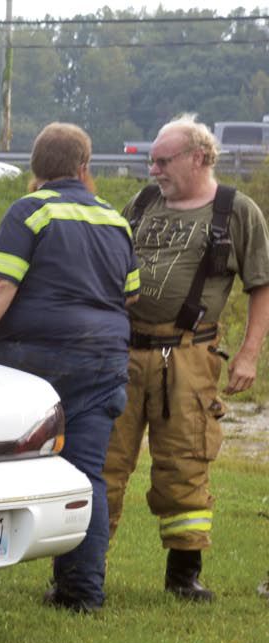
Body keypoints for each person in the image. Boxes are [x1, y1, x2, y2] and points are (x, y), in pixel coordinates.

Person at [0, 122, 139, 612]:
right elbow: (130, 295)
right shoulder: (116, 220)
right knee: (87, 475)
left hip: (33, 359)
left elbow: (1, 285)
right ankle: (81, 592)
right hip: (103, 361)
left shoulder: (31, 211)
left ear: (35, 166)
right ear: (84, 167)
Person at [104, 114, 269, 602]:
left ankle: (183, 575)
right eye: (151, 161)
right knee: (104, 461)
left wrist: (248, 355)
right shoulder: (142, 203)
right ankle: (81, 571)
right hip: (123, 351)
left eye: (163, 161)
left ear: (198, 158)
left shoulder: (236, 211)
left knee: (185, 462)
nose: (153, 170)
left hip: (189, 357)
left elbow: (261, 285)